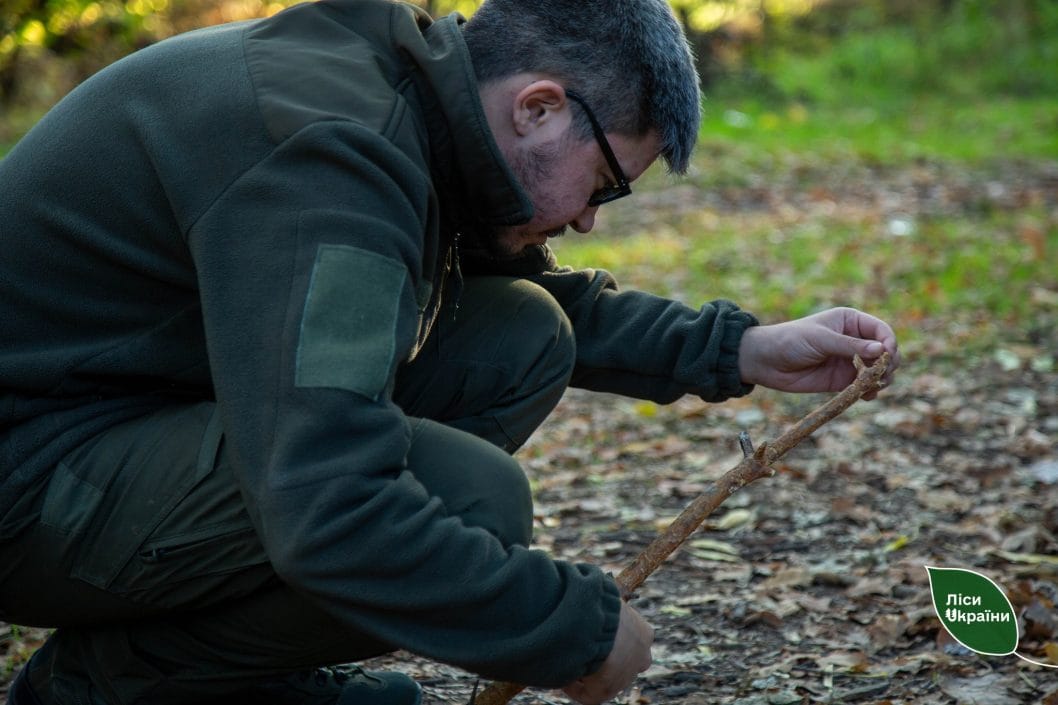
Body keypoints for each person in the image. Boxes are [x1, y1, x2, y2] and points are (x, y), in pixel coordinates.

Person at [0, 0, 900, 703]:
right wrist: (569, 630)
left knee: (518, 334)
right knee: (467, 500)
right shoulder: (328, 160)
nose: (589, 217)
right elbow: (330, 502)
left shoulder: (403, 93)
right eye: (607, 183)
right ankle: (104, 687)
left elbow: (526, 299)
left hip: (113, 417)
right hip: (27, 474)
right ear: (539, 107)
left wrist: (740, 348)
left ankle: (219, 672)